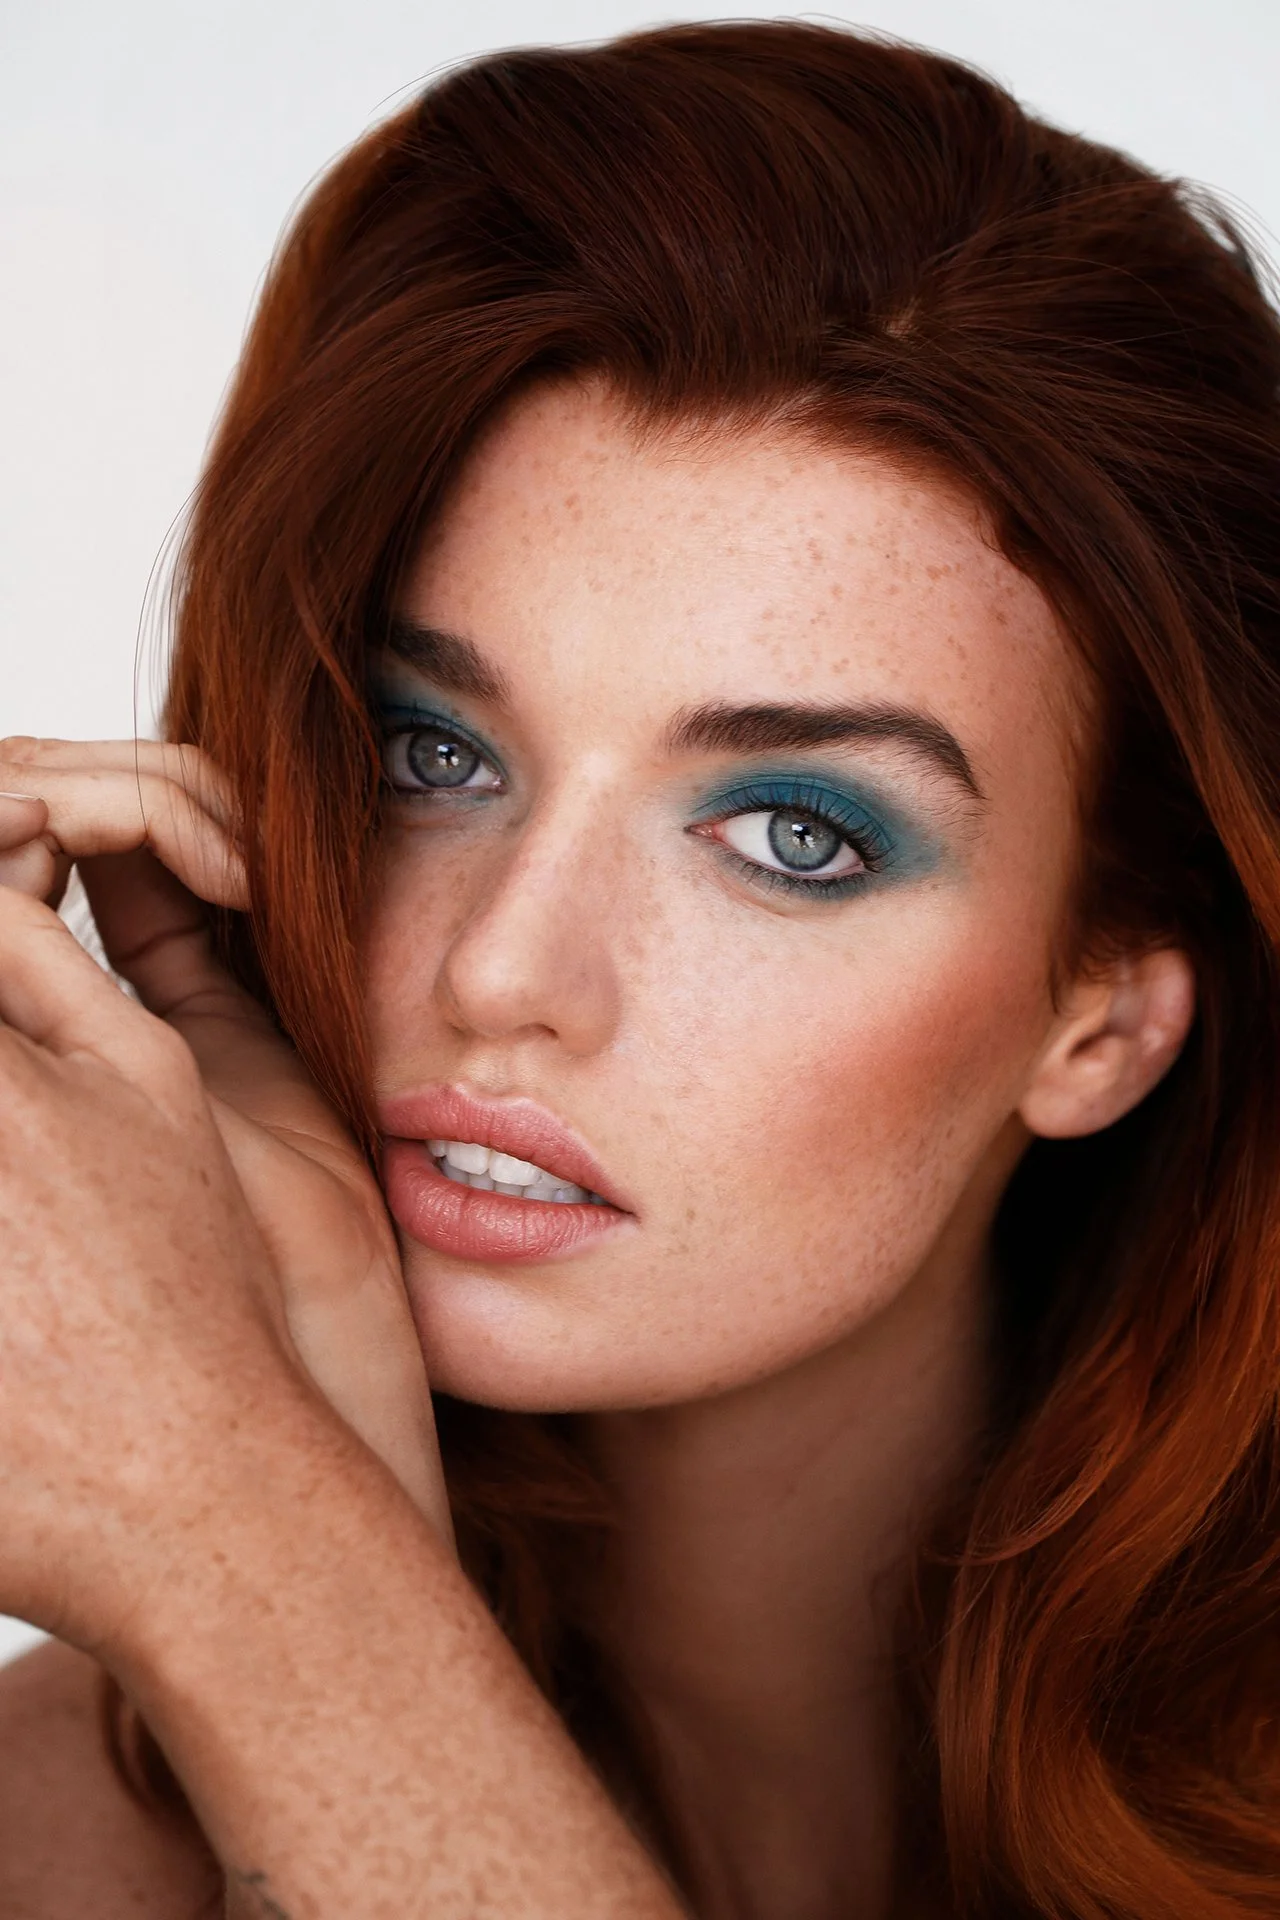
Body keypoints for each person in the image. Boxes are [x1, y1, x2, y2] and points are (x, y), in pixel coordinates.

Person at [0, 18, 1277, 1918]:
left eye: (792, 835)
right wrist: (328, 1497)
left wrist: (243, 1546)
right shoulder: (72, 1826)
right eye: (437, 756)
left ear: (1099, 1019)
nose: (507, 967)